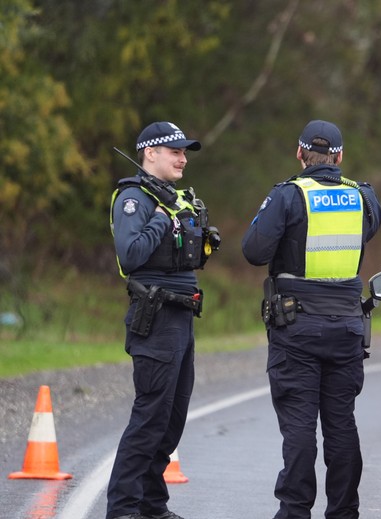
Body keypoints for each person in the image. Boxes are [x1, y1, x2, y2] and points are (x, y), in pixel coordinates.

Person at [241, 119, 381, 519]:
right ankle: (344, 512)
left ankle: (294, 512)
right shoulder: (363, 197)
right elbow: (371, 227)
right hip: (347, 328)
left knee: (300, 427)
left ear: (300, 153)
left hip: (297, 329)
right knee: (341, 425)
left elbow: (254, 251)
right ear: (340, 157)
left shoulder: (288, 196)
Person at [107, 121, 219, 519]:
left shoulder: (176, 198)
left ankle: (152, 506)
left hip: (182, 315)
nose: (183, 158)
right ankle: (122, 509)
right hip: (155, 317)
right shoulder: (134, 199)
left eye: (184, 152)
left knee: (171, 419)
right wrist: (161, 218)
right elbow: (130, 256)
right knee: (150, 417)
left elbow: (185, 256)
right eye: (175, 151)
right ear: (150, 153)